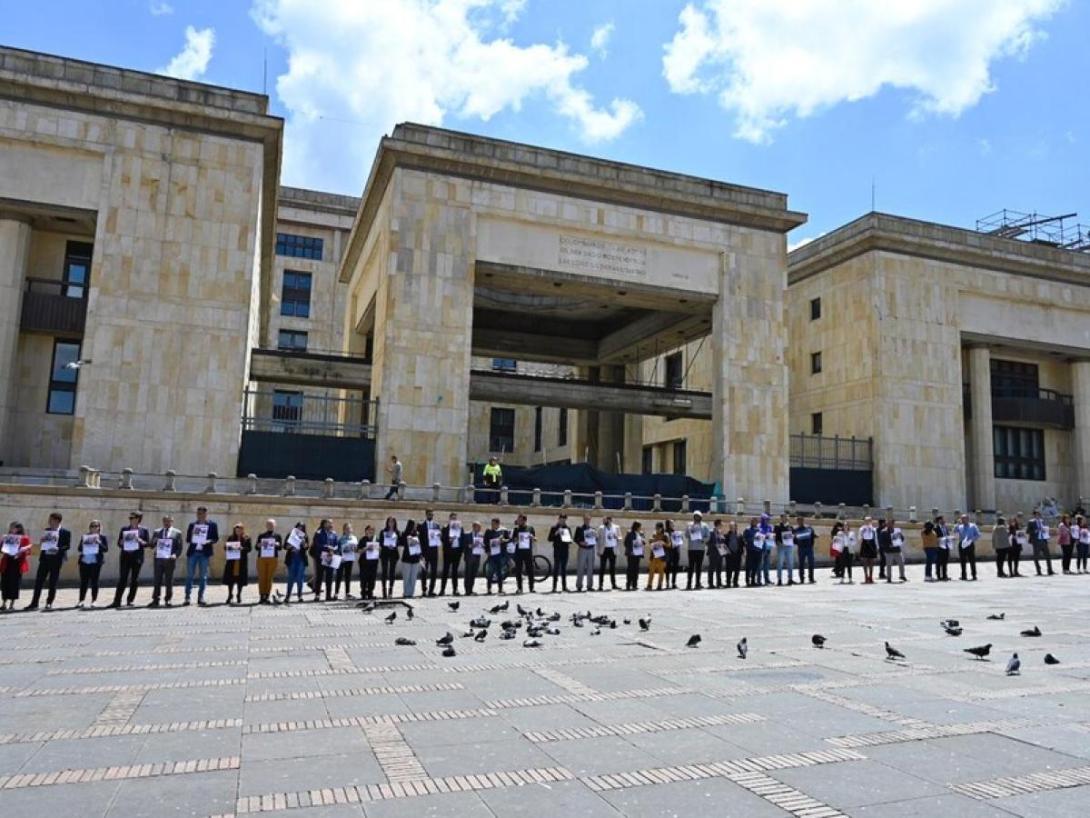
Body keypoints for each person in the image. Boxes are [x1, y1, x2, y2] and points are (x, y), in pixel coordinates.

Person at [27, 512, 71, 610]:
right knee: (38, 581)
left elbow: (67, 546)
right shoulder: (47, 531)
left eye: (51, 520)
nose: (49, 522)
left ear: (57, 520)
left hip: (56, 560)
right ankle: (34, 603)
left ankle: (49, 603)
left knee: (52, 582)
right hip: (45, 559)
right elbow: (44, 545)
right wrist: (42, 542)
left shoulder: (65, 532)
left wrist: (58, 548)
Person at [110, 512, 150, 608]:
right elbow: (119, 544)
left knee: (134, 580)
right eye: (130, 518)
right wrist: (121, 542)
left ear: (138, 519)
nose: (131, 519)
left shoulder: (144, 530)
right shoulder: (124, 529)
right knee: (122, 579)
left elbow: (147, 544)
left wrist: (140, 540)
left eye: (133, 518)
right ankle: (117, 601)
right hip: (125, 557)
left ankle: (130, 600)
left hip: (137, 557)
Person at [185, 506, 219, 606]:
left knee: (203, 576)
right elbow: (187, 539)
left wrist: (208, 541)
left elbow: (215, 538)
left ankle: (201, 597)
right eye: (198, 513)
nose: (199, 515)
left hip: (205, 553)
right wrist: (193, 536)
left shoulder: (212, 525)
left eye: (201, 513)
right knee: (190, 575)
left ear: (205, 514)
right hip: (193, 552)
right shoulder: (192, 525)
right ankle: (187, 597)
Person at [149, 514, 183, 607]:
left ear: (172, 522)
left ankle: (168, 599)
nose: (167, 523)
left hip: (170, 560)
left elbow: (179, 548)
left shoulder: (177, 533)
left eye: (169, 521)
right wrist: (153, 541)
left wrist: (175, 555)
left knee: (169, 580)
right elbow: (151, 546)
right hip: (158, 559)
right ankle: (155, 599)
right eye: (165, 521)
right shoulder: (157, 532)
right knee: (157, 580)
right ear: (163, 522)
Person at [1, 522, 32, 611]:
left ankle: (12, 603)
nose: (11, 529)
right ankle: (3, 603)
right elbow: (1, 549)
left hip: (17, 563)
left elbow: (28, 551)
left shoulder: (24, 538)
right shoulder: (7, 537)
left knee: (14, 583)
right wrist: (1, 541)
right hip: (7, 562)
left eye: (12, 527)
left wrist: (20, 552)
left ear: (18, 529)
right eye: (10, 527)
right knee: (5, 583)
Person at [77, 520, 108, 608]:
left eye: (96, 526)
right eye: (92, 526)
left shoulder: (102, 537)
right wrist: (83, 543)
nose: (94, 528)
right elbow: (79, 549)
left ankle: (94, 600)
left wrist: (99, 542)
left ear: (99, 528)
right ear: (89, 527)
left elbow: (105, 549)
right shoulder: (85, 536)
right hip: (84, 561)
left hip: (95, 562)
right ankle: (81, 600)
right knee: (84, 582)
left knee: (94, 582)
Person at [222, 522, 252, 605]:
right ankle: (230, 595)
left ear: (242, 530)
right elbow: (225, 548)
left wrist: (242, 548)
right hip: (232, 561)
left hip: (241, 562)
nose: (238, 531)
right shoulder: (231, 538)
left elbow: (249, 549)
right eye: (236, 530)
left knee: (240, 579)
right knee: (230, 579)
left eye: (239, 530)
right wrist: (226, 546)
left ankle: (239, 594)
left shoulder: (247, 538)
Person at [255, 520, 282, 604]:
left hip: (273, 558)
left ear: (275, 525)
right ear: (266, 525)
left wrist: (277, 545)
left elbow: (280, 547)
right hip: (262, 558)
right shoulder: (261, 535)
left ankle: (267, 595)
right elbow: (256, 547)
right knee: (262, 577)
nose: (270, 526)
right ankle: (261, 596)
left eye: (272, 524)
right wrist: (258, 545)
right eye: (269, 524)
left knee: (269, 578)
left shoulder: (277, 536)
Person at [310, 518, 338, 601]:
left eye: (331, 523)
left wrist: (333, 549)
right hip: (321, 558)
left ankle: (328, 596)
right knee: (319, 577)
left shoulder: (334, 533)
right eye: (329, 523)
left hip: (330, 557)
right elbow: (317, 545)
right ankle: (317, 595)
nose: (331, 524)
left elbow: (336, 544)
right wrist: (327, 547)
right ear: (324, 524)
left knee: (329, 577)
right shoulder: (318, 533)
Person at [439, 513, 465, 596]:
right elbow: (442, 539)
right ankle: (442, 590)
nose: (454, 520)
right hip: (448, 552)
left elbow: (463, 539)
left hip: (457, 552)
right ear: (449, 519)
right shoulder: (445, 528)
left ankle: (455, 589)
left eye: (455, 518)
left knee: (455, 572)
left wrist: (461, 551)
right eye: (452, 518)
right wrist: (448, 540)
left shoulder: (460, 528)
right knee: (445, 571)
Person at [283, 521, 309, 603]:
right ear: (296, 527)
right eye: (298, 527)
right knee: (291, 578)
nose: (300, 528)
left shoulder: (305, 536)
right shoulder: (290, 534)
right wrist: (291, 544)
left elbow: (306, 547)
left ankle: (300, 595)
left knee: (300, 578)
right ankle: (288, 596)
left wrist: (304, 543)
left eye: (302, 527)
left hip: (301, 559)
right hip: (292, 558)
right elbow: (285, 547)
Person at [511, 513, 536, 594]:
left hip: (528, 552)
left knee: (530, 571)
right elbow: (513, 541)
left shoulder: (530, 528)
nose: (518, 521)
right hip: (518, 552)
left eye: (520, 520)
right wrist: (516, 540)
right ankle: (519, 588)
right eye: (518, 520)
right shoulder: (516, 529)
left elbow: (535, 538)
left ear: (524, 520)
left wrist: (532, 538)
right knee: (518, 571)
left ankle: (531, 588)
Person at [420, 509, 442, 597]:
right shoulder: (421, 525)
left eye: (432, 514)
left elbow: (439, 538)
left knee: (434, 572)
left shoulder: (437, 525)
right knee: (424, 572)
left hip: (434, 552)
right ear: (426, 515)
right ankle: (424, 590)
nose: (430, 516)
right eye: (429, 514)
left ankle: (431, 590)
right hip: (425, 552)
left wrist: (440, 536)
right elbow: (420, 539)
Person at [548, 513, 572, 593]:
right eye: (561, 519)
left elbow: (570, 540)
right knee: (556, 568)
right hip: (557, 550)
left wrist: (569, 539)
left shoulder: (567, 528)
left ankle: (564, 587)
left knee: (564, 569)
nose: (562, 521)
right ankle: (554, 587)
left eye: (564, 519)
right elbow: (549, 539)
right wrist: (556, 533)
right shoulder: (554, 528)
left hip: (565, 550)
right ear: (558, 519)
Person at [484, 517, 508, 594]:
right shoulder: (488, 531)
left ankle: (500, 589)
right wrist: (487, 551)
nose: (492, 525)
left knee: (500, 573)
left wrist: (503, 540)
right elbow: (485, 542)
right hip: (491, 555)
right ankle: (489, 589)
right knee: (490, 572)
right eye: (491, 524)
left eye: (493, 524)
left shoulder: (503, 531)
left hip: (500, 555)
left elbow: (509, 540)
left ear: (498, 524)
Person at [573, 514, 597, 592]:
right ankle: (579, 585)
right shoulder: (579, 528)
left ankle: (589, 586)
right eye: (586, 519)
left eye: (589, 519)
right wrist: (581, 543)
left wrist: (596, 537)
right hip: (582, 549)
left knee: (590, 568)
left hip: (591, 549)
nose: (587, 521)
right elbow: (575, 539)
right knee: (581, 567)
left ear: (590, 520)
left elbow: (595, 540)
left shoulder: (593, 529)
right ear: (583, 520)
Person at [1027, 509, 1055, 576]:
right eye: (1036, 514)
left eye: (1039, 514)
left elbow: (1045, 528)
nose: (1038, 516)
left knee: (1048, 556)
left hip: (1043, 540)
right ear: (1034, 515)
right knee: (1036, 557)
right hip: (1036, 541)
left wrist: (1045, 530)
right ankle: (1038, 571)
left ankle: (1050, 570)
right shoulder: (1031, 522)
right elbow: (1028, 531)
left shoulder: (1042, 521)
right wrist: (1036, 531)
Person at [685, 512, 708, 590]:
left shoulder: (704, 526)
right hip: (691, 548)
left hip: (700, 548)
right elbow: (686, 535)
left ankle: (697, 583)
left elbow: (708, 536)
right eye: (695, 516)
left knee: (699, 567)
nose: (697, 518)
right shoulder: (689, 525)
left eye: (698, 516)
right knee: (690, 567)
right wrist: (690, 532)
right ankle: (689, 583)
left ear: (701, 517)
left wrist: (703, 540)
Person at [334, 522, 358, 599]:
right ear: (343, 530)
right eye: (346, 529)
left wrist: (354, 549)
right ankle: (336, 593)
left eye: (349, 528)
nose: (348, 530)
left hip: (350, 560)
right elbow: (337, 550)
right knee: (339, 576)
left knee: (348, 576)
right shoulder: (340, 539)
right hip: (342, 560)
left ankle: (347, 593)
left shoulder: (354, 538)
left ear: (352, 529)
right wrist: (340, 557)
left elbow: (356, 549)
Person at [400, 519, 423, 598]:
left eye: (415, 525)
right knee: (406, 577)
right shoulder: (405, 533)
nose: (415, 526)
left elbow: (420, 545)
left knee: (413, 577)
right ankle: (406, 593)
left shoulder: (418, 534)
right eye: (413, 525)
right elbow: (401, 543)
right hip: (406, 559)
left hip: (415, 558)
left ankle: (411, 593)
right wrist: (407, 535)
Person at [597, 515, 620, 591]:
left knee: (612, 568)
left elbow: (620, 537)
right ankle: (600, 585)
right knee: (602, 568)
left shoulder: (616, 527)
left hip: (613, 549)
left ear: (610, 520)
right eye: (603, 520)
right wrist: (598, 550)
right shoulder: (601, 528)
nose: (604, 522)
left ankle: (614, 584)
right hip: (604, 549)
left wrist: (617, 537)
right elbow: (598, 539)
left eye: (605, 520)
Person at [379, 517, 400, 599]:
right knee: (384, 572)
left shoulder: (397, 532)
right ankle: (384, 590)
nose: (391, 523)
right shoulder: (383, 532)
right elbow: (381, 542)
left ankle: (390, 591)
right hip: (385, 553)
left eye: (393, 522)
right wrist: (387, 545)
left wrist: (394, 545)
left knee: (392, 572)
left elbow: (399, 542)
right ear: (387, 523)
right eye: (389, 522)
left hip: (393, 554)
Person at [955, 513, 980, 581]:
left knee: (972, 560)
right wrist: (957, 523)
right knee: (962, 561)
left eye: (964, 519)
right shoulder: (960, 526)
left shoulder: (973, 526)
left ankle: (974, 575)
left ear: (968, 519)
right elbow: (954, 530)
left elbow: (978, 535)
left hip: (969, 544)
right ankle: (963, 576)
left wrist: (971, 540)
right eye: (962, 519)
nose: (962, 520)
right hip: (962, 544)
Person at [358, 524, 380, 600]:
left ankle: (370, 593)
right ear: (366, 531)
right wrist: (366, 548)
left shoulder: (376, 539)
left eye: (372, 530)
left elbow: (380, 549)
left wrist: (379, 549)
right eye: (369, 530)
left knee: (372, 579)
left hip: (373, 563)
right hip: (364, 563)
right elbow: (358, 551)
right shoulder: (362, 539)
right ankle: (363, 594)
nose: (371, 531)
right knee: (364, 579)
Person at [463, 521, 485, 596]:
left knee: (473, 574)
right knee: (468, 574)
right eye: (478, 527)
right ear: (474, 527)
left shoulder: (481, 535)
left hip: (477, 557)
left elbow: (483, 544)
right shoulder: (467, 535)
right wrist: (470, 546)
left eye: (480, 527)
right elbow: (463, 545)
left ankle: (471, 589)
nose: (480, 529)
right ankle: (467, 590)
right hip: (469, 557)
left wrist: (483, 546)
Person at [774, 514, 795, 587]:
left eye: (786, 517)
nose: (785, 519)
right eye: (783, 517)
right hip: (781, 547)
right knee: (780, 563)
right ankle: (779, 579)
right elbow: (775, 537)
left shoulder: (790, 527)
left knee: (790, 563)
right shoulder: (777, 526)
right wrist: (778, 543)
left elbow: (794, 535)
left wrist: (793, 536)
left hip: (789, 547)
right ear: (781, 518)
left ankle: (790, 579)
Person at [794, 516, 816, 584]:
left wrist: (811, 545)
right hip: (801, 549)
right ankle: (802, 579)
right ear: (797, 522)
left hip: (809, 548)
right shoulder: (796, 530)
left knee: (811, 564)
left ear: (803, 521)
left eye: (801, 520)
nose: (800, 522)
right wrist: (799, 543)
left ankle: (811, 578)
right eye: (798, 521)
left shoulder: (809, 528)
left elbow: (813, 537)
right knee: (801, 564)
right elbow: (794, 541)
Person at [623, 521, 644, 591]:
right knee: (630, 569)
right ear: (636, 527)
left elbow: (642, 541)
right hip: (631, 554)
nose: (641, 528)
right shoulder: (630, 533)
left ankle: (635, 584)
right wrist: (631, 550)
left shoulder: (641, 533)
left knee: (636, 569)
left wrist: (643, 542)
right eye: (640, 526)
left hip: (638, 554)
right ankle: (628, 584)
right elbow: (626, 543)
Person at [647, 522, 668, 591]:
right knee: (651, 571)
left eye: (658, 528)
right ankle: (649, 585)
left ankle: (659, 585)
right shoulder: (654, 534)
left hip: (661, 556)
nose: (657, 529)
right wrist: (651, 540)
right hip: (653, 556)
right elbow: (650, 542)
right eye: (656, 528)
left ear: (662, 528)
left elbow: (669, 545)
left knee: (661, 571)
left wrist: (663, 543)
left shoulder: (665, 536)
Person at [723, 520, 743, 588]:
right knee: (729, 569)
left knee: (737, 569)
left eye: (733, 526)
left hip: (737, 554)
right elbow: (724, 545)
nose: (731, 527)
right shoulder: (726, 535)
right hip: (729, 555)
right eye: (730, 526)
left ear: (735, 527)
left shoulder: (740, 535)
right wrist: (726, 553)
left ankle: (735, 582)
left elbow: (742, 544)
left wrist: (742, 552)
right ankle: (728, 582)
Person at [858, 517, 878, 584]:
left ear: (871, 521)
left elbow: (876, 539)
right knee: (865, 562)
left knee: (871, 562)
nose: (868, 522)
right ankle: (866, 576)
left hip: (872, 544)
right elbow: (859, 538)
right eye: (866, 521)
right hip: (865, 544)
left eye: (869, 521)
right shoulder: (861, 529)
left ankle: (871, 576)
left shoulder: (874, 529)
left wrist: (877, 547)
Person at [743, 518, 762, 587]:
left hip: (758, 550)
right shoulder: (747, 530)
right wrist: (751, 539)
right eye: (753, 521)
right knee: (748, 566)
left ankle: (753, 580)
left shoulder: (759, 530)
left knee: (755, 566)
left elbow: (762, 539)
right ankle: (747, 581)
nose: (755, 522)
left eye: (756, 521)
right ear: (751, 522)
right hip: (750, 550)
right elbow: (744, 539)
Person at [707, 519, 725, 589]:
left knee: (719, 569)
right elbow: (708, 542)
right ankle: (710, 583)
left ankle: (719, 583)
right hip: (713, 553)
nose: (722, 525)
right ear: (718, 524)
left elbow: (722, 541)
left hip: (720, 553)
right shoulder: (711, 532)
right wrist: (715, 545)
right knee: (711, 569)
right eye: (721, 524)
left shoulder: (720, 532)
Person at [934, 515, 951, 582]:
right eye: (942, 519)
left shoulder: (946, 528)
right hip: (939, 547)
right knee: (938, 562)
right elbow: (935, 538)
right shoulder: (935, 528)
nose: (944, 521)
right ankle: (938, 576)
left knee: (945, 561)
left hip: (946, 546)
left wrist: (949, 538)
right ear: (939, 521)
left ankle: (944, 575)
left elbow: (947, 535)